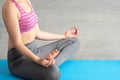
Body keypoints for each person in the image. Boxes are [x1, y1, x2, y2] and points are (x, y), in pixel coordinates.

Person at [2, 0, 80, 80]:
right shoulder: (10, 8)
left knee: (73, 41)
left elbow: (38, 33)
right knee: (53, 73)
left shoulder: (27, 1)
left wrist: (64, 35)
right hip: (19, 60)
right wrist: (38, 60)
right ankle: (49, 64)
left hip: (34, 51)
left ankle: (49, 62)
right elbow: (18, 44)